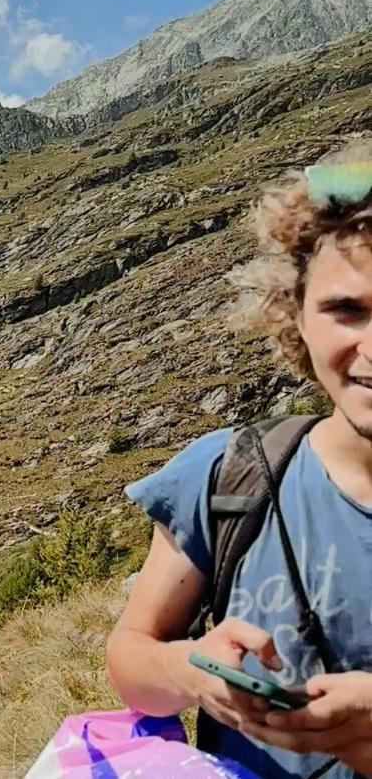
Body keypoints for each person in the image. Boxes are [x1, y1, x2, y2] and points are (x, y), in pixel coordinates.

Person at [106, 142, 372, 779]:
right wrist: (190, 673)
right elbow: (131, 657)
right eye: (347, 310)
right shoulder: (229, 476)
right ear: (296, 316)